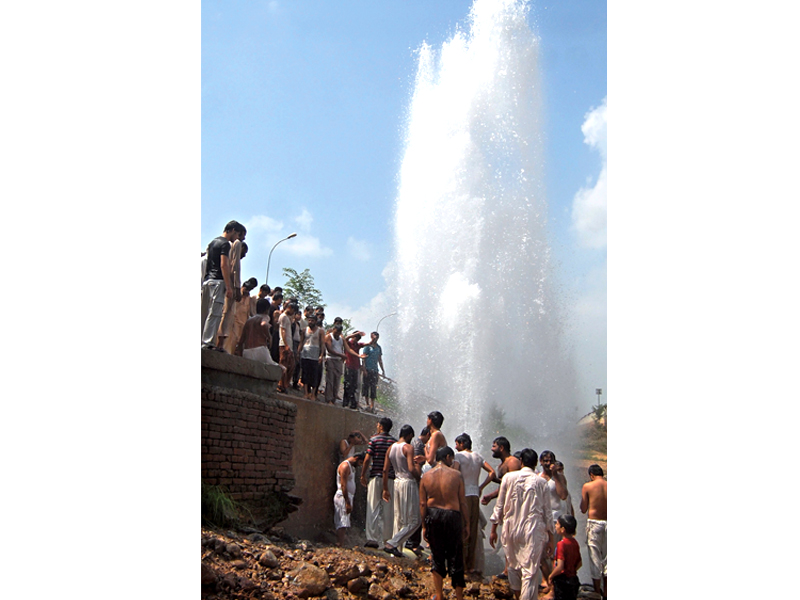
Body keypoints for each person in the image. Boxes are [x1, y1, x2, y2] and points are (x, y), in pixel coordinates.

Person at [489, 448, 554, 600]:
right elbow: (547, 513)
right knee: (530, 572)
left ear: (522, 462)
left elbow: (499, 506)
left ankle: (518, 596)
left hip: (510, 528)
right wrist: (551, 537)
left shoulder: (508, 478)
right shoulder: (541, 482)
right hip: (532, 530)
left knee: (513, 566)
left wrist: (493, 529)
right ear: (536, 463)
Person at [420, 446, 468, 600]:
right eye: (452, 459)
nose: (452, 461)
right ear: (447, 457)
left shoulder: (426, 476)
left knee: (437, 555)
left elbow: (422, 504)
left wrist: (424, 526)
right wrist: (466, 523)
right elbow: (463, 502)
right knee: (456, 556)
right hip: (452, 515)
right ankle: (459, 596)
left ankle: (439, 595)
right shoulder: (457, 475)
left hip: (433, 514)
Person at [453, 432, 496, 573]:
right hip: (475, 494)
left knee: (463, 528)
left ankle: (463, 564)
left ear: (462, 444)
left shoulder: (458, 457)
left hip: (464, 495)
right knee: (472, 529)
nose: (455, 447)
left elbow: (454, 473)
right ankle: (471, 564)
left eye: (457, 444)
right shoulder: (478, 456)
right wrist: (481, 487)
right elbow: (492, 472)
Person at [201, 220, 246, 348]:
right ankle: (208, 341)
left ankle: (201, 339)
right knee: (215, 313)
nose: (237, 239)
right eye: (237, 235)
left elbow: (208, 264)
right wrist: (228, 286)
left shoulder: (212, 242)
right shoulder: (225, 244)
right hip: (218, 282)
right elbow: (224, 265)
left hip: (207, 281)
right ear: (232, 230)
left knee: (203, 312)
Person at [382, 425, 422, 557]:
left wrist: (385, 489)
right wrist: (420, 478)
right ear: (409, 435)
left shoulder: (391, 448)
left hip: (396, 482)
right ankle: (392, 543)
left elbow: (385, 470)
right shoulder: (408, 448)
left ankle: (396, 549)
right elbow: (411, 468)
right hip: (408, 483)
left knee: (398, 518)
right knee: (414, 520)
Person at [360, 418, 397, 548]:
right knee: (388, 509)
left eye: (378, 424)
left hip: (375, 476)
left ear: (381, 426)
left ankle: (372, 538)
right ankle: (388, 540)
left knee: (373, 507)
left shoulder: (374, 440)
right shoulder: (394, 442)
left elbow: (367, 459)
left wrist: (363, 474)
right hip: (390, 479)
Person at [538, 450, 570, 597]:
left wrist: (556, 475)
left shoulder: (559, 477)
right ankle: (550, 584)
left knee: (555, 555)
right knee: (542, 554)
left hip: (556, 519)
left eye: (550, 461)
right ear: (540, 462)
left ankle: (553, 589)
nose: (547, 463)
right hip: (542, 519)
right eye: (545, 460)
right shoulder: (538, 477)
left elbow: (563, 495)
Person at [580, 464, 607, 598]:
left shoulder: (588, 486)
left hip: (595, 523)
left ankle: (597, 593)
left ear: (591, 475)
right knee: (608, 559)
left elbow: (584, 508)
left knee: (595, 558)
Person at [216, 237, 247, 351]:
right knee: (226, 314)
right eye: (244, 252)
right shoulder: (236, 245)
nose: (244, 255)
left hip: (226, 286)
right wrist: (236, 288)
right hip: (230, 287)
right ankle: (219, 344)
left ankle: (221, 344)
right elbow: (235, 267)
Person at [405, 426, 431, 553]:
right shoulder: (418, 444)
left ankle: (413, 541)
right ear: (427, 434)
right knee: (417, 512)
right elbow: (417, 463)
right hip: (416, 482)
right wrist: (420, 480)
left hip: (415, 482)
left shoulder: (417, 443)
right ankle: (412, 542)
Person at [334, 451, 366, 547]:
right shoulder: (345, 466)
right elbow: (343, 485)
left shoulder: (351, 467)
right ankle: (340, 543)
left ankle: (341, 543)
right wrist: (347, 502)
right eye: (360, 463)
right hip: (343, 497)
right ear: (356, 458)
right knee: (342, 521)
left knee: (345, 520)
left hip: (347, 496)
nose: (360, 466)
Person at [547, 515, 582, 600]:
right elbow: (580, 563)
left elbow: (560, 567)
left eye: (558, 524)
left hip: (562, 581)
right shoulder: (575, 543)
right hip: (573, 580)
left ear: (563, 529)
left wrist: (551, 576)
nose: (555, 525)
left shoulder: (561, 544)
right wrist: (571, 571)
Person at [480, 436, 522, 505]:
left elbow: (513, 484)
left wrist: (496, 480)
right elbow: (503, 487)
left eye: (494, 446)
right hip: (505, 502)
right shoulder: (501, 465)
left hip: (514, 503)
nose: (492, 449)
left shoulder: (512, 462)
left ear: (501, 448)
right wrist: (490, 496)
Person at [221, 276, 256, 354]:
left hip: (242, 326)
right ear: (243, 287)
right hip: (233, 323)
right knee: (229, 343)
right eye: (246, 289)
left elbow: (250, 312)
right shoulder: (235, 295)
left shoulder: (249, 299)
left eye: (249, 290)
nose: (247, 291)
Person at [300, 314, 324, 400]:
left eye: (312, 320)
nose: (310, 322)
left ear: (315, 321)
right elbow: (301, 342)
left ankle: (313, 394)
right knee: (305, 374)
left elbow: (322, 343)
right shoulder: (304, 330)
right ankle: (306, 393)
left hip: (315, 355)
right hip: (305, 353)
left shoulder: (320, 331)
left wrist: (321, 355)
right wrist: (298, 352)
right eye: (309, 320)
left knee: (314, 375)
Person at [359, 332, 385, 412]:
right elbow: (363, 358)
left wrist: (382, 370)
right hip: (367, 369)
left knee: (373, 387)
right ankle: (367, 404)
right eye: (374, 337)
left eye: (377, 337)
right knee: (366, 386)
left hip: (374, 370)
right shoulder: (367, 347)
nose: (375, 339)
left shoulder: (378, 348)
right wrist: (364, 369)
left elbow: (379, 359)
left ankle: (372, 405)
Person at [276, 303, 296, 393]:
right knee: (284, 365)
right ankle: (281, 384)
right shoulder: (283, 317)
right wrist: (286, 344)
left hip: (288, 344)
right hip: (284, 344)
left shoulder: (287, 318)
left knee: (291, 365)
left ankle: (285, 384)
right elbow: (283, 331)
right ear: (290, 308)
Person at [324, 324, 347, 404]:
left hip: (338, 361)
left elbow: (347, 348)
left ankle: (333, 398)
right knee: (330, 379)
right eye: (336, 332)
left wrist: (358, 355)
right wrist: (341, 355)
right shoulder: (328, 337)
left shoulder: (341, 338)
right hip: (330, 359)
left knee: (337, 380)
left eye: (339, 332)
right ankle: (329, 398)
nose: (337, 334)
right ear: (333, 329)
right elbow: (330, 350)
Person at [343, 331, 366, 409]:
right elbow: (346, 338)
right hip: (349, 365)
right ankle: (346, 402)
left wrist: (373, 339)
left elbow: (367, 344)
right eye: (356, 337)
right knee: (347, 384)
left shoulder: (358, 345)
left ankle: (353, 403)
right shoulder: (348, 343)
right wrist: (356, 333)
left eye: (358, 338)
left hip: (356, 367)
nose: (357, 339)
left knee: (354, 385)